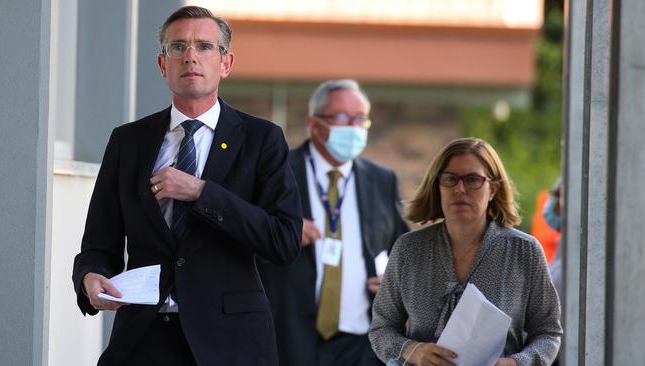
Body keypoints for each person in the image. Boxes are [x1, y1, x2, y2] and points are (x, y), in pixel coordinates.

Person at [72, 6, 302, 365]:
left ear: (226, 63)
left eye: (204, 46)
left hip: (231, 343)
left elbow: (284, 241)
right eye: (177, 47)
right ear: (163, 65)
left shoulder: (261, 140)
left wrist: (201, 192)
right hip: (144, 339)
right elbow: (99, 243)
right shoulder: (128, 141)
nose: (190, 56)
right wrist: (91, 276)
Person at [369, 137, 562, 366]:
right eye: (450, 179)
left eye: (472, 180)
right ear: (437, 186)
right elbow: (381, 328)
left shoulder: (524, 252)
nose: (460, 189)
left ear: (493, 189)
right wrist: (413, 350)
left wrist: (516, 363)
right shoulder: (409, 250)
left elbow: (549, 333)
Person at [257, 79, 409, 366]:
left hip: (360, 343)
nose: (352, 127)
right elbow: (244, 236)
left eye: (360, 119)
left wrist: (394, 283)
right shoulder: (276, 172)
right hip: (288, 337)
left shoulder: (381, 180)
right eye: (341, 118)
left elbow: (401, 250)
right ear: (313, 123)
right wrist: (278, 232)